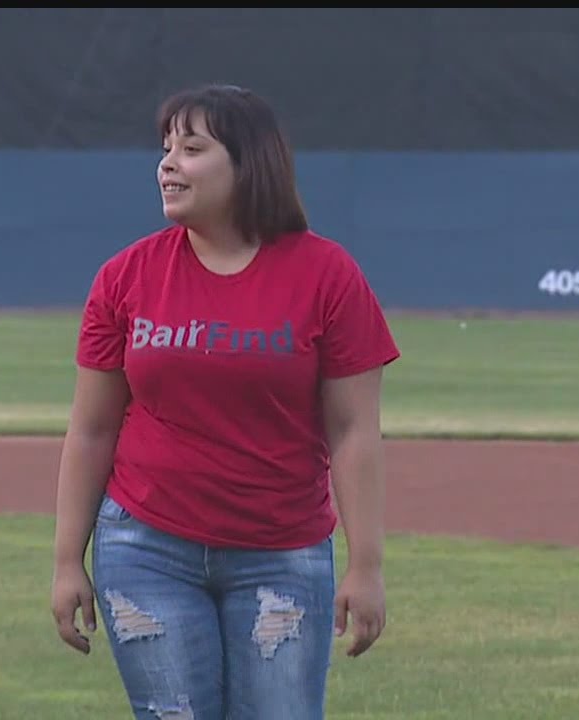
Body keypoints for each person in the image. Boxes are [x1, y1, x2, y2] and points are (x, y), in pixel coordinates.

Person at [50, 83, 401, 720]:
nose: (167, 163)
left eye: (191, 148)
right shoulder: (125, 276)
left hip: (283, 553)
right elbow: (92, 429)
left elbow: (354, 433)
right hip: (144, 548)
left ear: (249, 164)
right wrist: (66, 561)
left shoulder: (327, 274)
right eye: (165, 148)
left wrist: (366, 566)